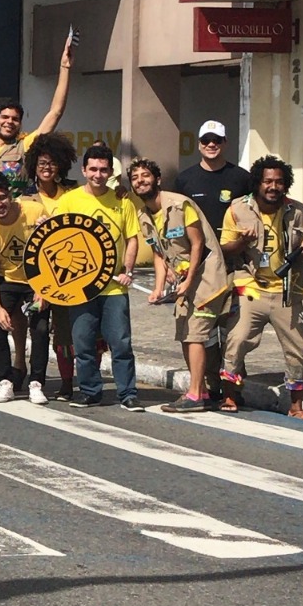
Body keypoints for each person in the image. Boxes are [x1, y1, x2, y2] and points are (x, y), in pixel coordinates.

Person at [129, 157, 232, 413]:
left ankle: (196, 394)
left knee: (195, 333)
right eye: (135, 178)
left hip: (207, 279)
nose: (141, 181)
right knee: (185, 334)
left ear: (157, 179)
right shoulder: (144, 215)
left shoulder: (180, 204)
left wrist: (188, 280)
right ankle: (203, 391)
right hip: (184, 283)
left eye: (145, 176)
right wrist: (158, 287)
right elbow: (158, 253)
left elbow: (198, 244)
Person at [220, 156, 303, 419]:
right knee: (237, 339)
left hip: (286, 289)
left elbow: (296, 250)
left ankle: (296, 407)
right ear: (257, 184)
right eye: (267, 181)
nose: (273, 186)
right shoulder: (237, 209)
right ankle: (229, 393)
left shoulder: (296, 210)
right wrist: (241, 241)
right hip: (250, 285)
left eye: (279, 182)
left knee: (300, 345)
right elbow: (224, 249)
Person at [56, 144, 142, 410]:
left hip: (114, 287)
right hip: (81, 286)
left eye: (104, 170)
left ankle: (127, 393)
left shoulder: (122, 201)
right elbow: (55, 237)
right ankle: (91, 391)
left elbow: (132, 239)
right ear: (84, 170)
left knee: (121, 343)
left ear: (110, 173)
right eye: (93, 169)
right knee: (82, 343)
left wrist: (127, 270)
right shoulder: (69, 200)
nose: (98, 174)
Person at [0, 171, 49, 404]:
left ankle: (36, 382)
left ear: (11, 195)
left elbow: (51, 251)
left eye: (2, 197)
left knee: (40, 327)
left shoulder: (34, 211)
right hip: (6, 279)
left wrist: (43, 288)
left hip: (37, 278)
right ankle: (5, 381)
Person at [0, 36, 74, 196]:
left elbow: (55, 112)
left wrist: (64, 68)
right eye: (5, 117)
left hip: (17, 217)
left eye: (15, 119)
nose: (9, 122)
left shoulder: (26, 146)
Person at [23, 132, 81, 398]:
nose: (46, 168)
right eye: (42, 163)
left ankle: (68, 381)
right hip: (33, 275)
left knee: (65, 333)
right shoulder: (23, 197)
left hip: (66, 272)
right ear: (33, 165)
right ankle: (37, 379)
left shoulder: (73, 193)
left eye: (52, 163)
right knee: (39, 328)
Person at [173, 120, 251, 235]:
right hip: (198, 249)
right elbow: (177, 217)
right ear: (199, 145)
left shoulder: (242, 177)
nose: (211, 144)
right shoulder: (184, 179)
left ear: (225, 143)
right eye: (205, 140)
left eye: (217, 140)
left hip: (234, 248)